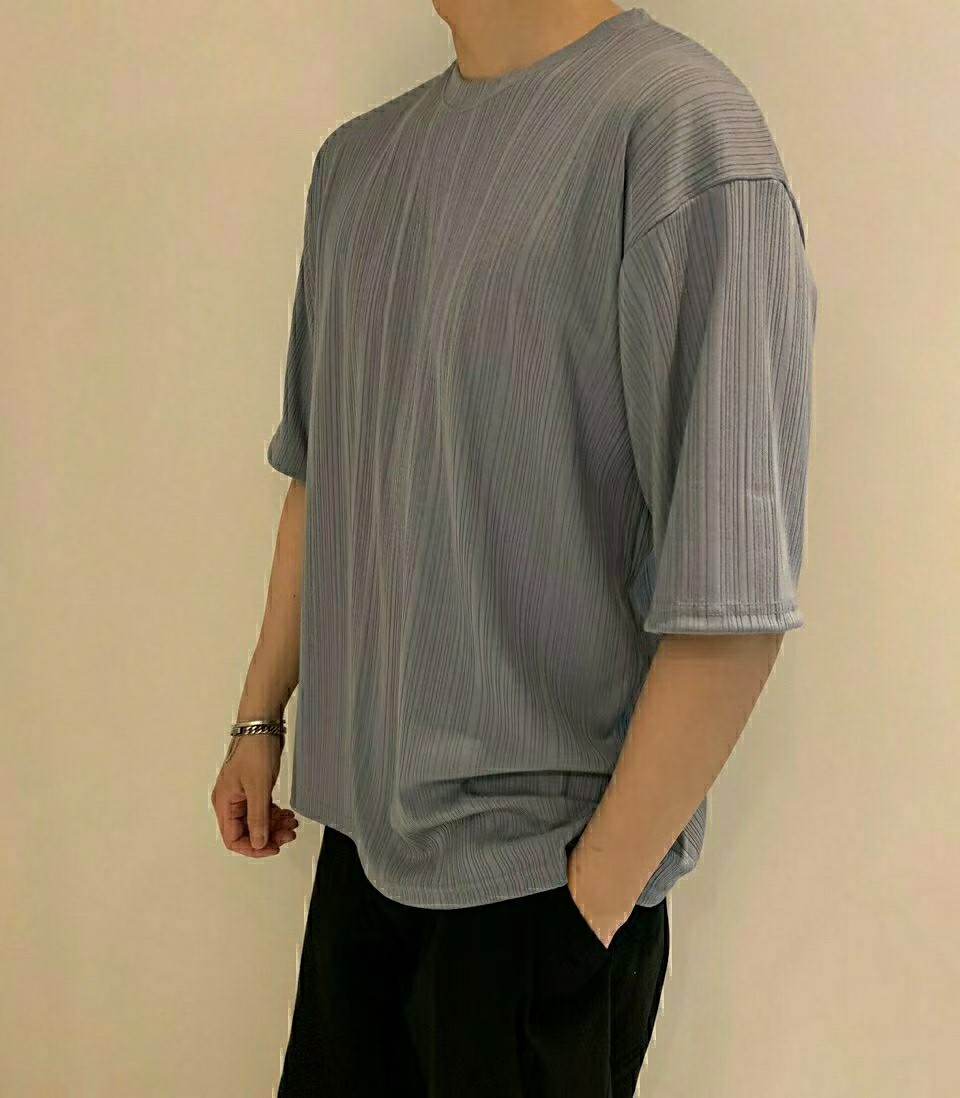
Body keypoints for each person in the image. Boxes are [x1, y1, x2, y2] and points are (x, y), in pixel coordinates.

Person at [209, 2, 818, 1095]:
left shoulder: (679, 134)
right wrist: (261, 714)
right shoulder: (356, 166)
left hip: (538, 889)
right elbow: (321, 467)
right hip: (358, 860)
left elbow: (733, 586)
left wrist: (590, 905)